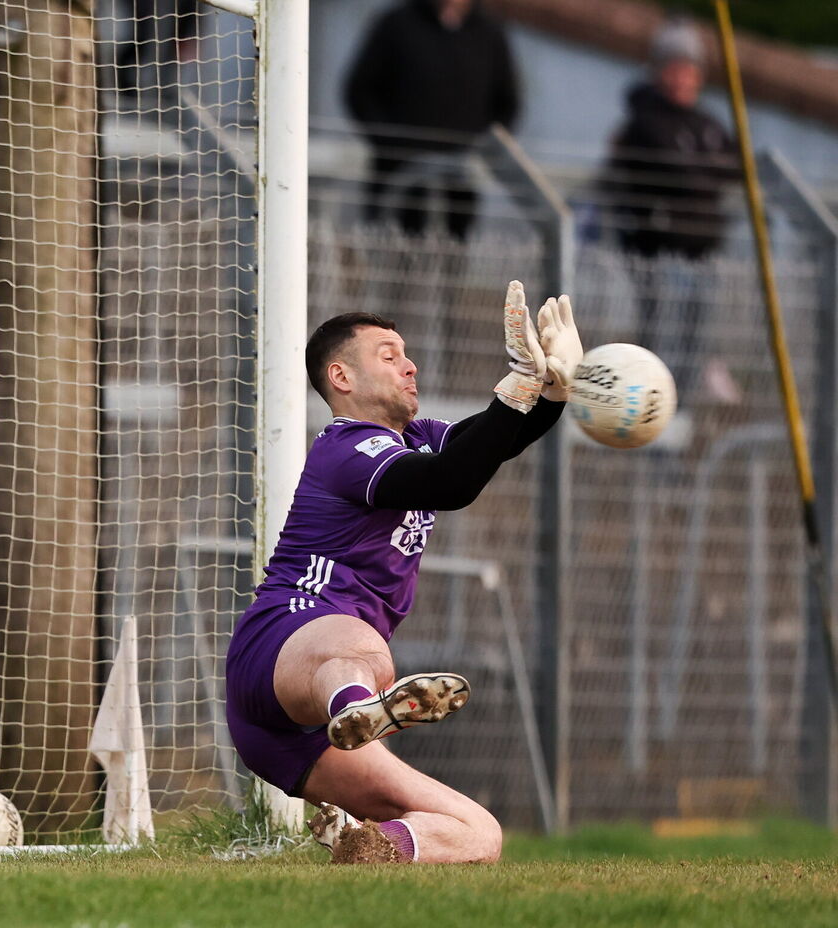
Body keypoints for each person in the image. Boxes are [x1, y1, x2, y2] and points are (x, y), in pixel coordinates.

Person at [225, 281, 581, 863]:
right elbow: (451, 484)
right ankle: (354, 706)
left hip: (292, 742)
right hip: (285, 648)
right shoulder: (345, 448)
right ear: (341, 378)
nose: (409, 365)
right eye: (389, 356)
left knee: (479, 834)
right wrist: (518, 386)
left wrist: (552, 391)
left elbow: (489, 443)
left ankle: (368, 846)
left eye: (407, 353)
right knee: (366, 651)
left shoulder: (415, 437)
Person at [601, 17, 740, 401]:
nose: (682, 77)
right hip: (657, 250)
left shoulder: (708, 124)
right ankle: (652, 402)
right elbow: (677, 173)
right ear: (659, 71)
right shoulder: (643, 122)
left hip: (703, 250)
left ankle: (685, 404)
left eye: (689, 68)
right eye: (674, 68)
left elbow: (733, 169)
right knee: (659, 334)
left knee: (696, 336)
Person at [345, 0, 519, 239]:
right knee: (393, 252)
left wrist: (481, 152)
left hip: (459, 181)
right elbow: (360, 91)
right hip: (397, 177)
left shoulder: (490, 32)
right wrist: (391, 144)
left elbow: (507, 105)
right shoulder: (397, 24)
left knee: (453, 252)